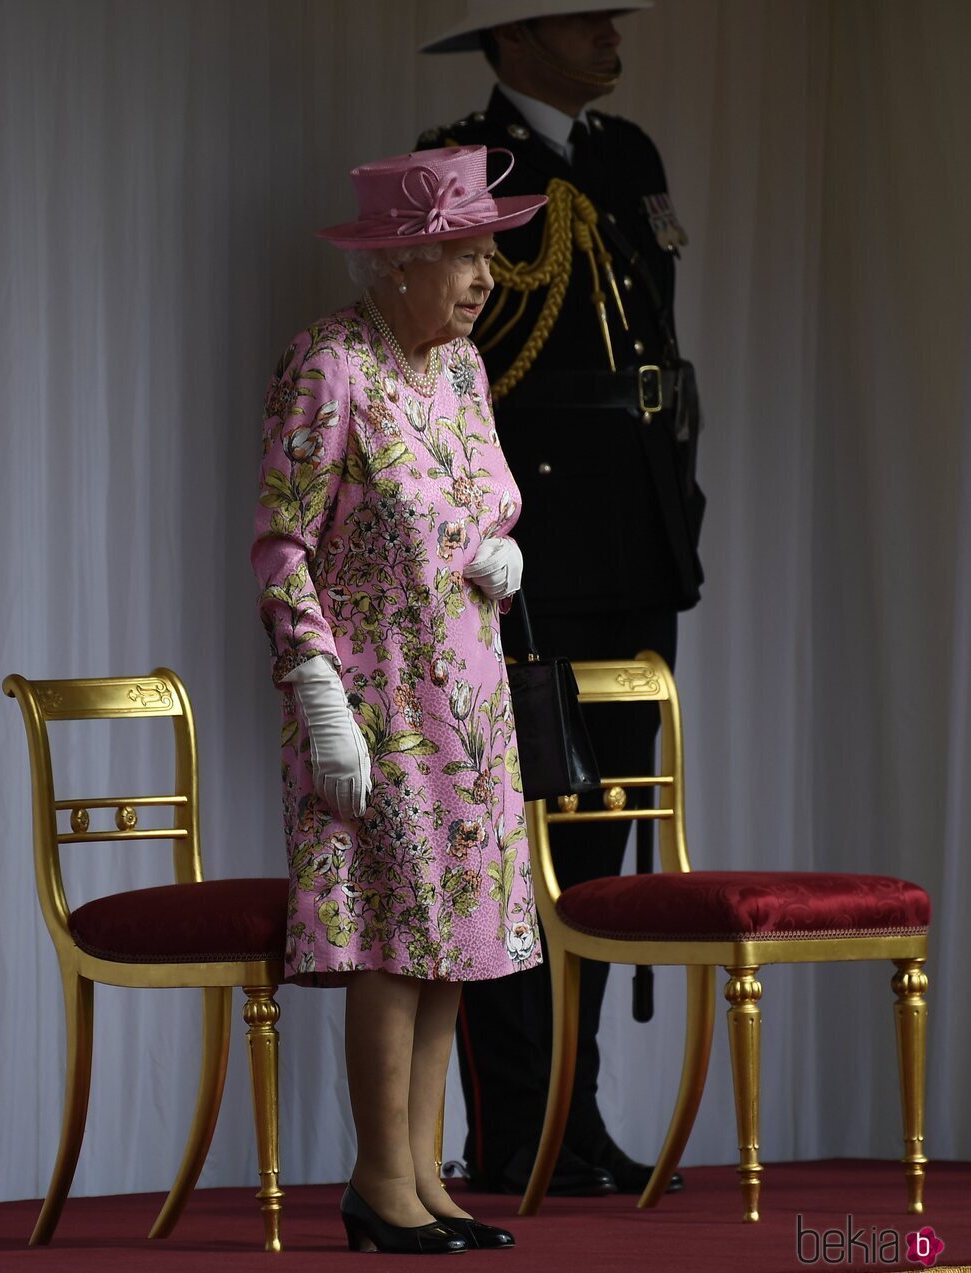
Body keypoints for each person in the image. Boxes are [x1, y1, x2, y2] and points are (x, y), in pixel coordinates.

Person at [416, 1, 704, 1198]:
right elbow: (444, 356)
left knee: (599, 854)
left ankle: (575, 1126)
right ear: (511, 42)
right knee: (511, 849)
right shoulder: (464, 166)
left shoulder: (628, 157)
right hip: (532, 556)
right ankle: (513, 1131)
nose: (607, 32)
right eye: (580, 19)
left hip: (636, 542)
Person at [251, 144, 548, 1254]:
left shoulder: (463, 371)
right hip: (368, 697)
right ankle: (381, 1179)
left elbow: (484, 503)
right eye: (462, 257)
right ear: (395, 263)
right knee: (389, 934)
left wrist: (500, 549)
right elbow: (281, 542)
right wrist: (314, 686)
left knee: (452, 942)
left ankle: (425, 1176)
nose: (483, 279)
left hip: (466, 695)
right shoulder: (328, 364)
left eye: (485, 256)